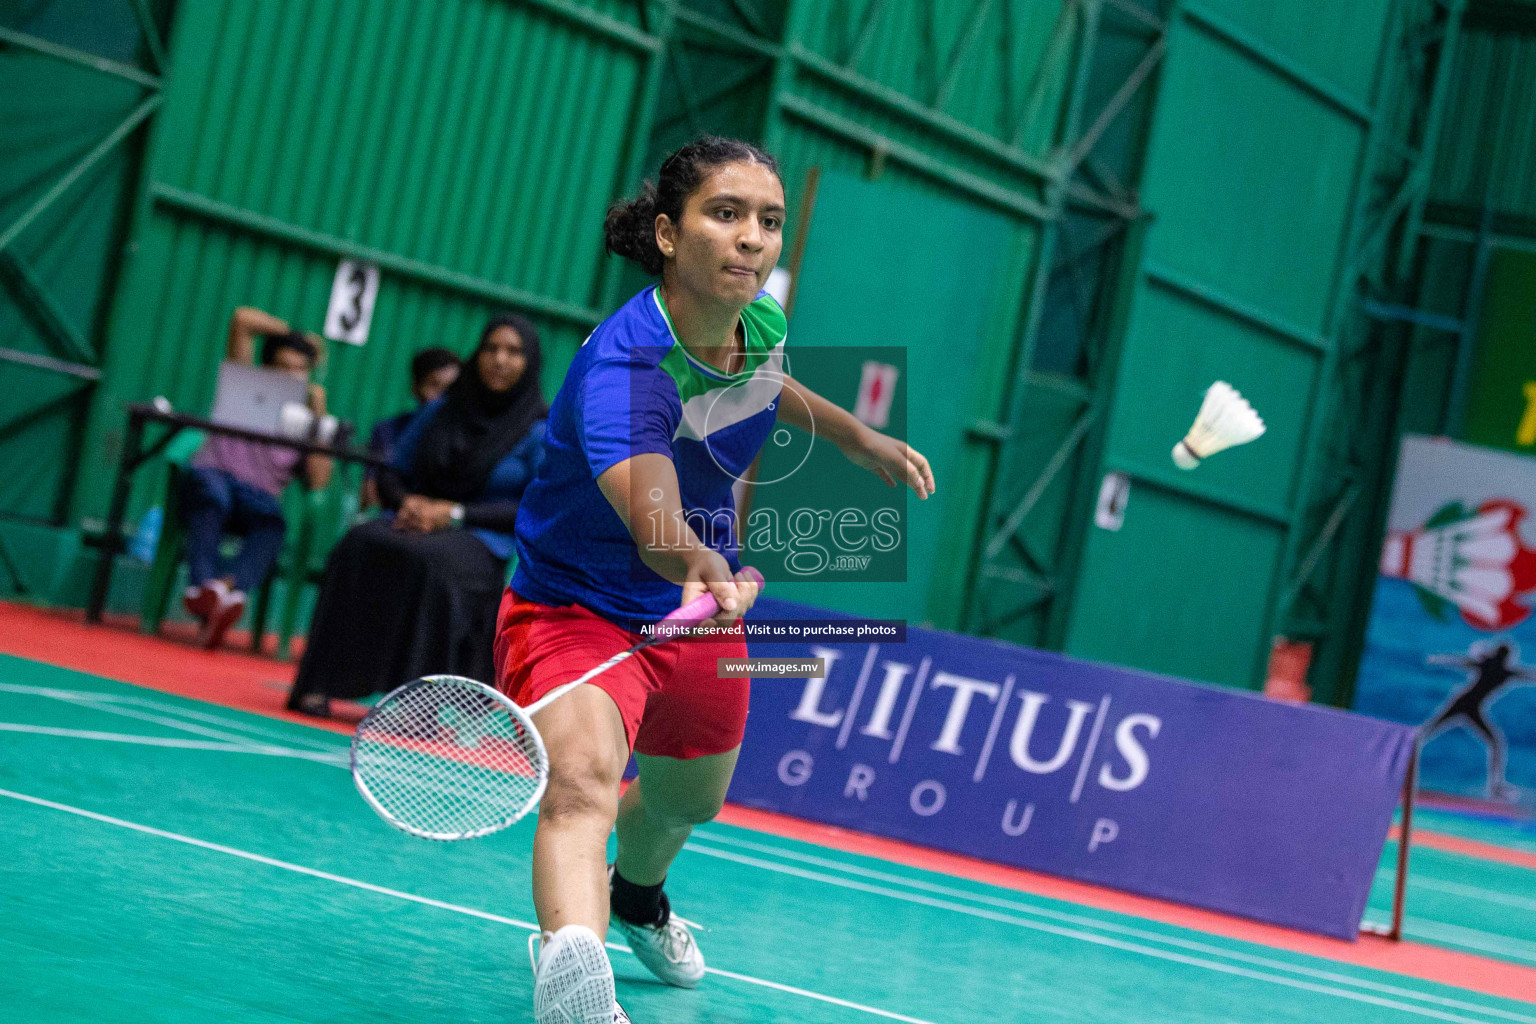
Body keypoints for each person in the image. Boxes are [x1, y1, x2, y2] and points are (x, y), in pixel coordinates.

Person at [501, 136, 934, 1024]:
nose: (752, 240)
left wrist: (858, 438)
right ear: (667, 233)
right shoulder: (626, 370)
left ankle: (634, 897)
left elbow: (766, 383)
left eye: (768, 222)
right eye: (725, 215)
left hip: (692, 613)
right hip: (577, 607)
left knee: (686, 796)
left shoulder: (757, 320)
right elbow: (654, 519)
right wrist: (702, 563)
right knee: (583, 783)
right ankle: (575, 984)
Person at [285, 314, 547, 717]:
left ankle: (414, 704)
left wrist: (453, 513)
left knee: (431, 563)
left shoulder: (539, 428)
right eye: (491, 348)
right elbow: (391, 467)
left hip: (480, 539)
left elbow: (533, 506)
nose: (499, 359)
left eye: (513, 352)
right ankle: (320, 684)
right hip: (414, 521)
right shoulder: (443, 410)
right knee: (359, 544)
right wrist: (406, 502)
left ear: (529, 363)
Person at [183, 307, 332, 650]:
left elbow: (319, 482)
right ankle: (204, 589)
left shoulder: (309, 420)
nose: (291, 378)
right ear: (264, 370)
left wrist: (319, 420)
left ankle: (224, 592)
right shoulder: (242, 387)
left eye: (300, 371)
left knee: (273, 524)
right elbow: (242, 320)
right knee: (212, 497)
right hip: (214, 477)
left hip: (258, 498)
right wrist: (298, 333)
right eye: (282, 369)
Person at [1423, 642, 1536, 801]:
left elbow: (1528, 675)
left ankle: (1495, 787)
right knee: (1428, 731)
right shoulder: (1500, 670)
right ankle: (1495, 787)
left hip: (1470, 706)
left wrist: (1438, 659)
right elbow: (1463, 661)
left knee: (1495, 742)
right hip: (1465, 703)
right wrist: (1438, 659)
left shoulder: (1496, 668)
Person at [360, 347, 461, 510]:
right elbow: (370, 498)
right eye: (434, 385)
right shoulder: (389, 431)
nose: (443, 399)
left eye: (451, 389)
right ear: (416, 387)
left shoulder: (468, 439)